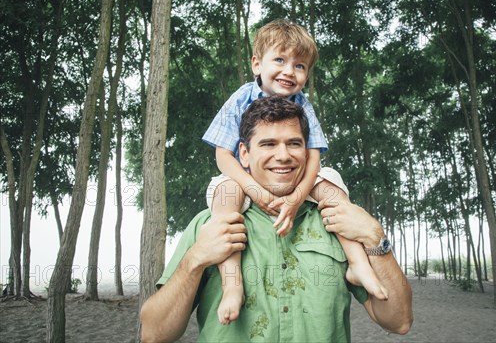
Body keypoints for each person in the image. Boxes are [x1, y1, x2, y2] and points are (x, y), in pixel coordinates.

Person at [140, 96, 413, 342]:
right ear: (244, 154)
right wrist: (195, 259)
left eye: (294, 144)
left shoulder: (340, 221)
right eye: (268, 144)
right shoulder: (208, 224)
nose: (283, 156)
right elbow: (153, 334)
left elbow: (398, 321)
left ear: (307, 153)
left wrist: (376, 238)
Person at [202, 19, 387, 324]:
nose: (289, 71)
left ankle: (357, 264)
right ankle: (232, 282)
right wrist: (254, 189)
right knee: (225, 194)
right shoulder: (240, 99)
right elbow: (223, 155)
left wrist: (298, 197)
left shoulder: (304, 106)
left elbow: (314, 156)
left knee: (334, 188)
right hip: (245, 178)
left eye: (300, 66)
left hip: (298, 179)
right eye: (280, 60)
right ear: (256, 64)